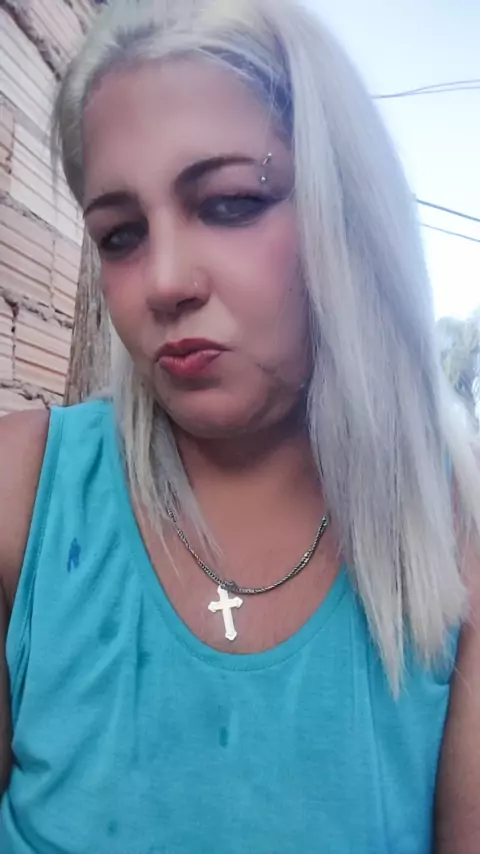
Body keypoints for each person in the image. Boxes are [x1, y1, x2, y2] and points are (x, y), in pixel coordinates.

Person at [0, 0, 479, 850]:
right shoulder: (22, 496)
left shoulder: (454, 538)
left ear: (347, 215)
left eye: (228, 203)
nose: (165, 281)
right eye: (120, 235)